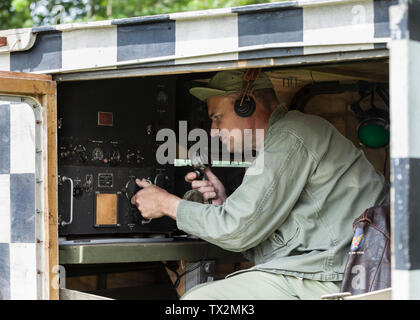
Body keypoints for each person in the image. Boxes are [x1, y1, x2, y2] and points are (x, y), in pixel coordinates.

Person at [131, 69, 388, 300]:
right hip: (332, 272)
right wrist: (225, 205)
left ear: (246, 106)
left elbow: (237, 230)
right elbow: (275, 237)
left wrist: (167, 204)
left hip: (328, 279)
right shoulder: (291, 135)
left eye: (218, 117)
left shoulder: (291, 136)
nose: (212, 129)